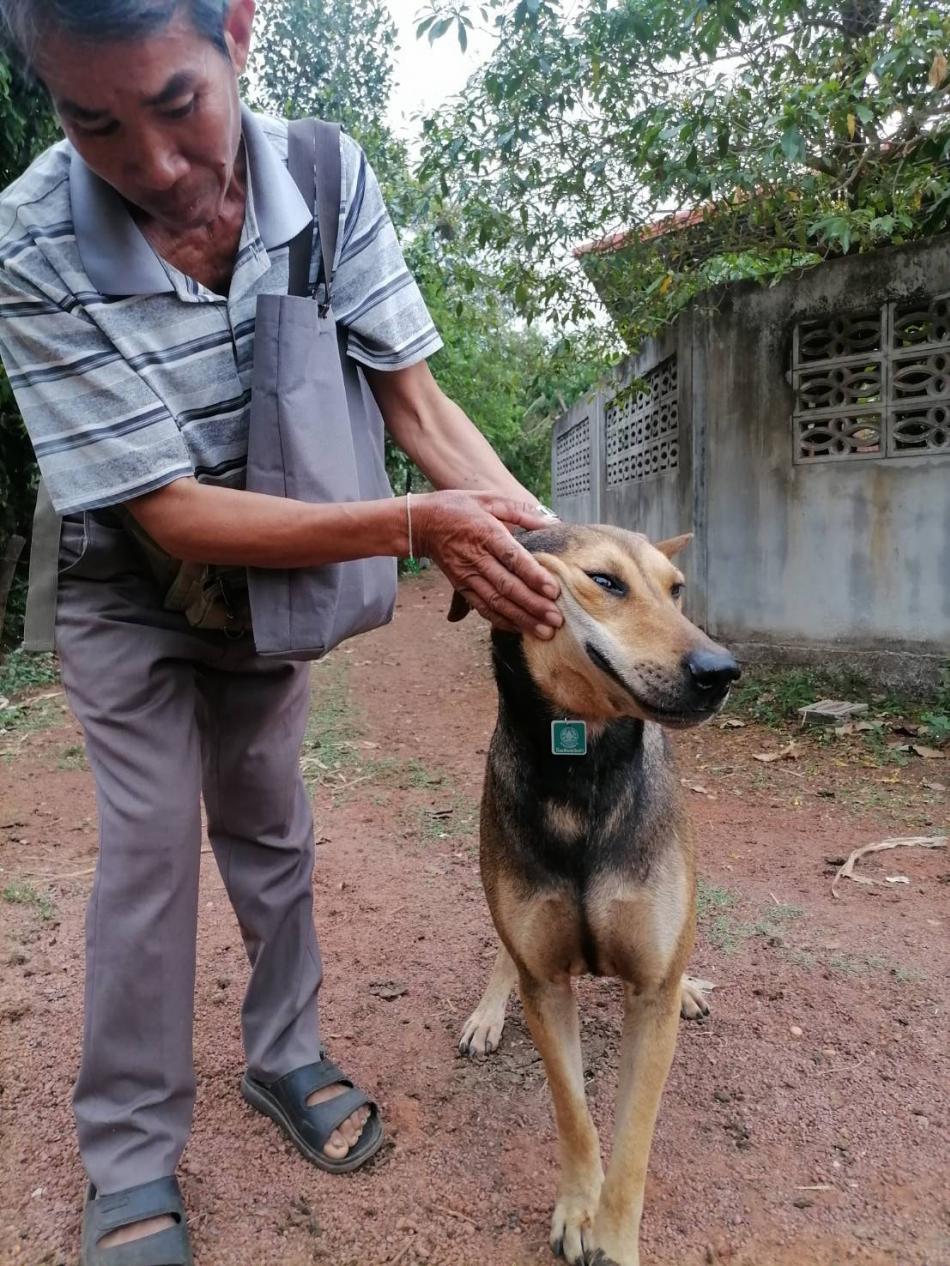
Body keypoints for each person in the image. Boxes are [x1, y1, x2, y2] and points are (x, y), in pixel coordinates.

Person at [0, 2, 563, 1262]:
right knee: (148, 852)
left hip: (272, 587)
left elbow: (416, 400)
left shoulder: (323, 174)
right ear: (50, 99)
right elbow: (167, 512)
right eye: (95, 124)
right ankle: (131, 1157)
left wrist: (561, 563)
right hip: (127, 583)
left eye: (176, 104)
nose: (149, 164)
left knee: (269, 818)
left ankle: (285, 1053)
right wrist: (412, 527)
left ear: (239, 31)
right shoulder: (27, 242)